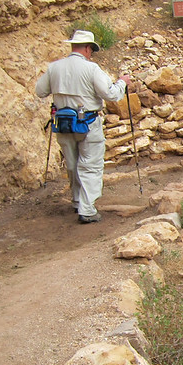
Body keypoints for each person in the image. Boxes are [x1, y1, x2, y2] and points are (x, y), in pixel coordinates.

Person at [35, 30, 131, 224]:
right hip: (87, 123)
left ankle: (78, 201)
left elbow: (40, 91)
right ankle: (87, 210)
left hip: (63, 123)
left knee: (71, 163)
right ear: (88, 48)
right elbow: (110, 94)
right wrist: (122, 83)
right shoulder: (91, 69)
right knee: (90, 165)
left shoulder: (54, 68)